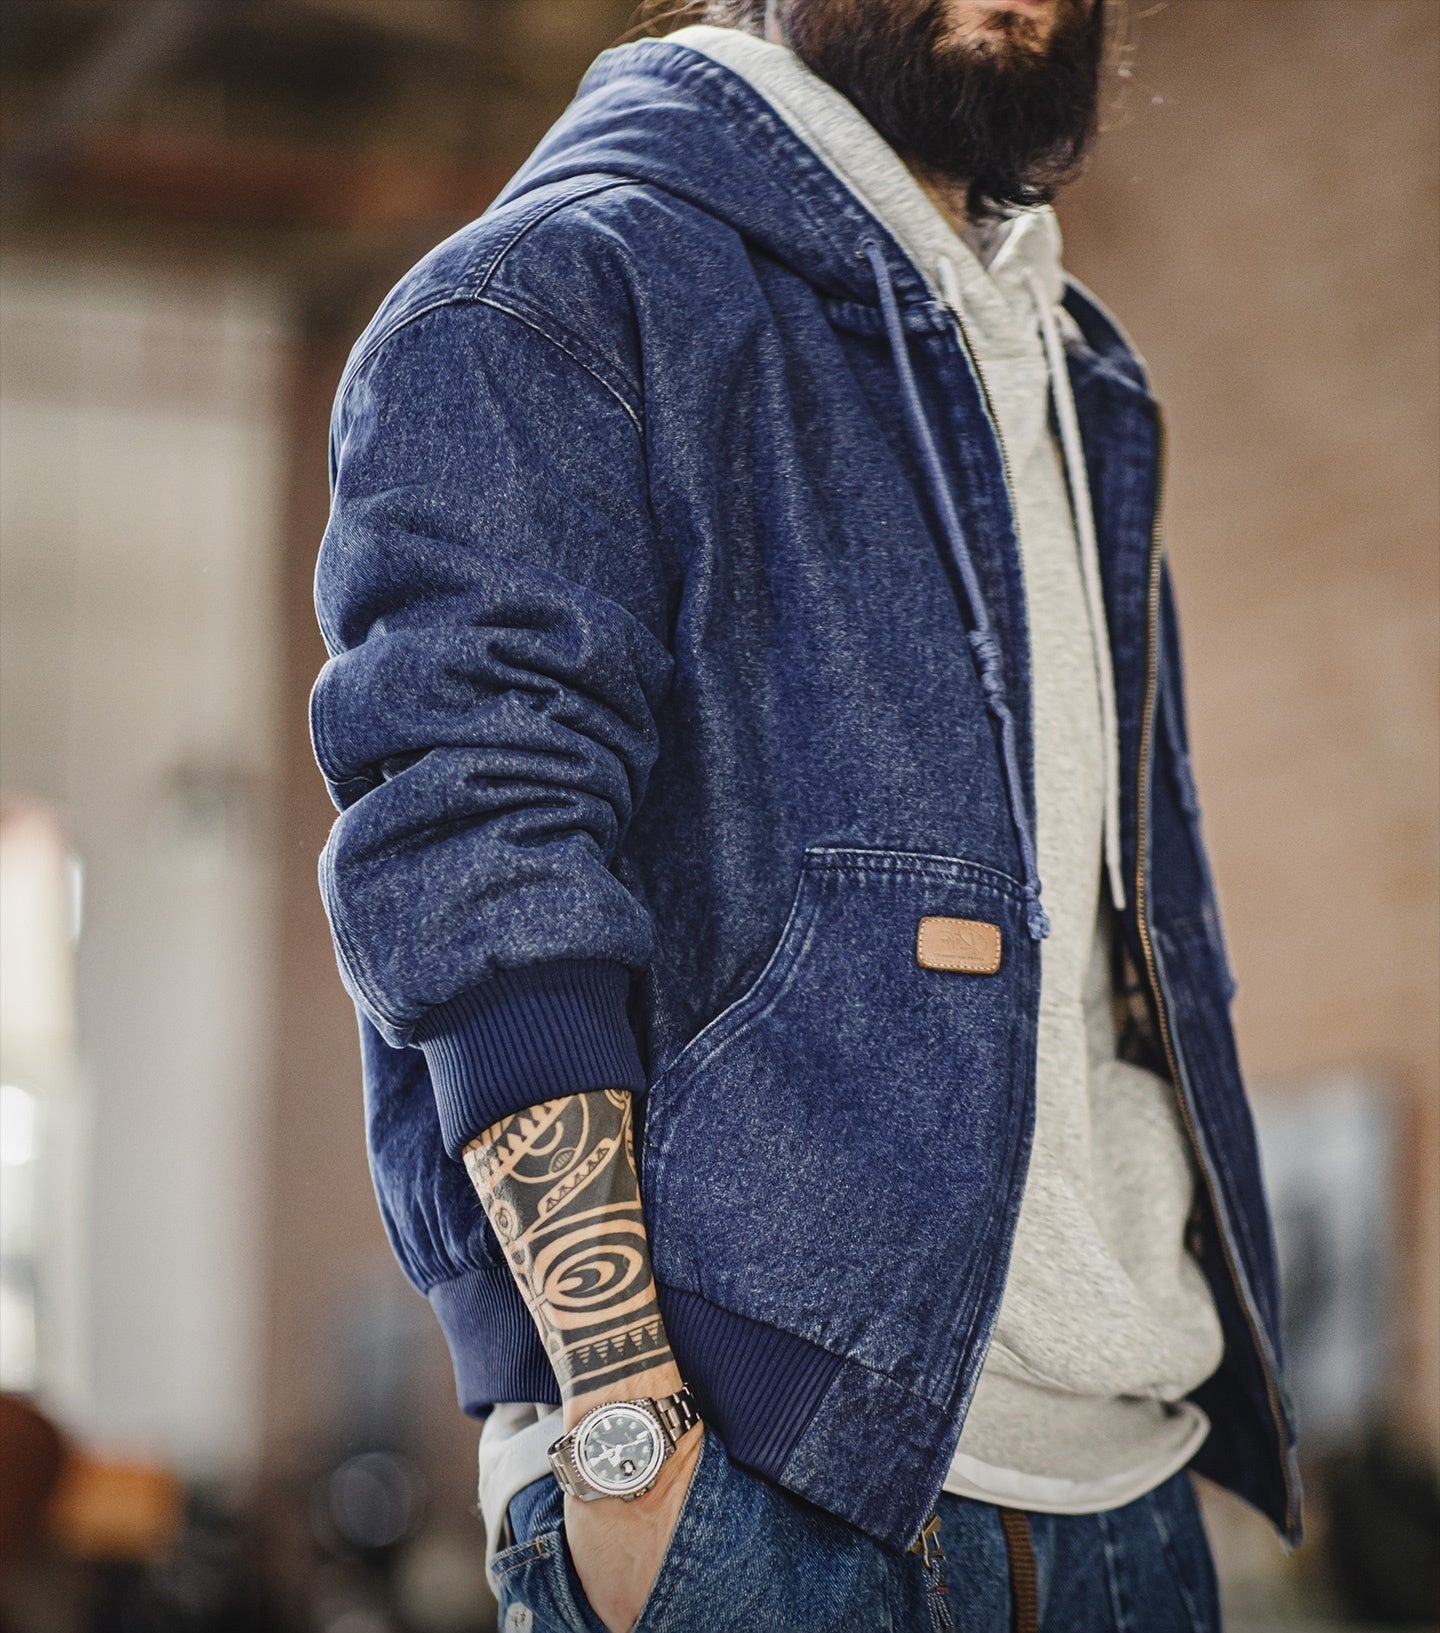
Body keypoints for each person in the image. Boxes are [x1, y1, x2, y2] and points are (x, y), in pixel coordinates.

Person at [311, 1, 1300, 1627]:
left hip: (1133, 1499)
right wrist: (625, 1432)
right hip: (766, 1504)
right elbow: (473, 849)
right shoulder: (556, 293)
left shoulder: (1074, 372)